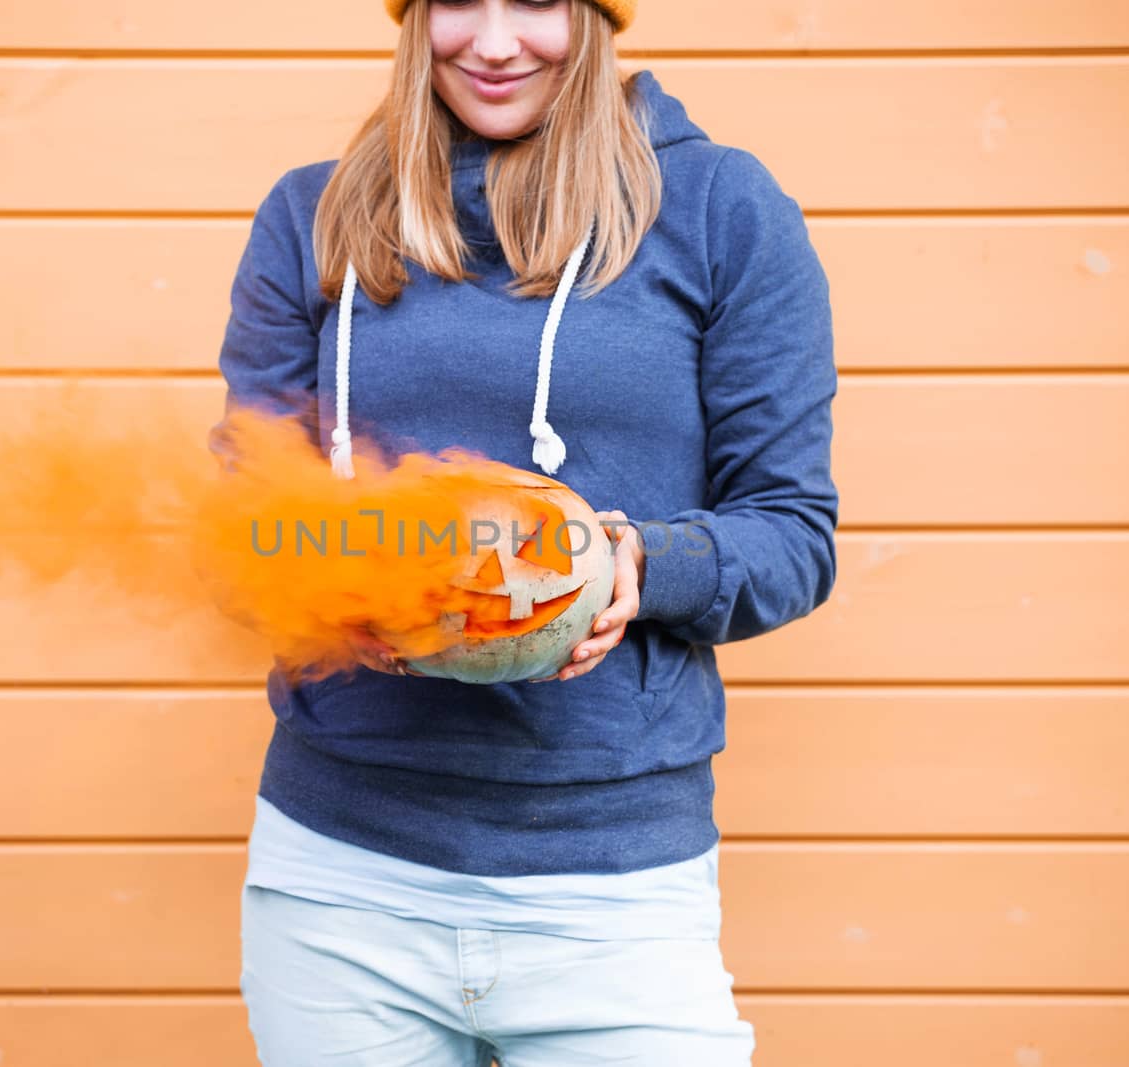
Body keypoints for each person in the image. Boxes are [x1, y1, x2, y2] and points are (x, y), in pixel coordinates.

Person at [213, 0, 838, 1063]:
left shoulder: (722, 208)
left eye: (537, 0)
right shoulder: (310, 213)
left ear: (598, 18)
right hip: (339, 882)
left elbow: (792, 529)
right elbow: (234, 529)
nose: (494, 42)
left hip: (612, 893)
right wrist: (324, 589)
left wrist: (640, 562)